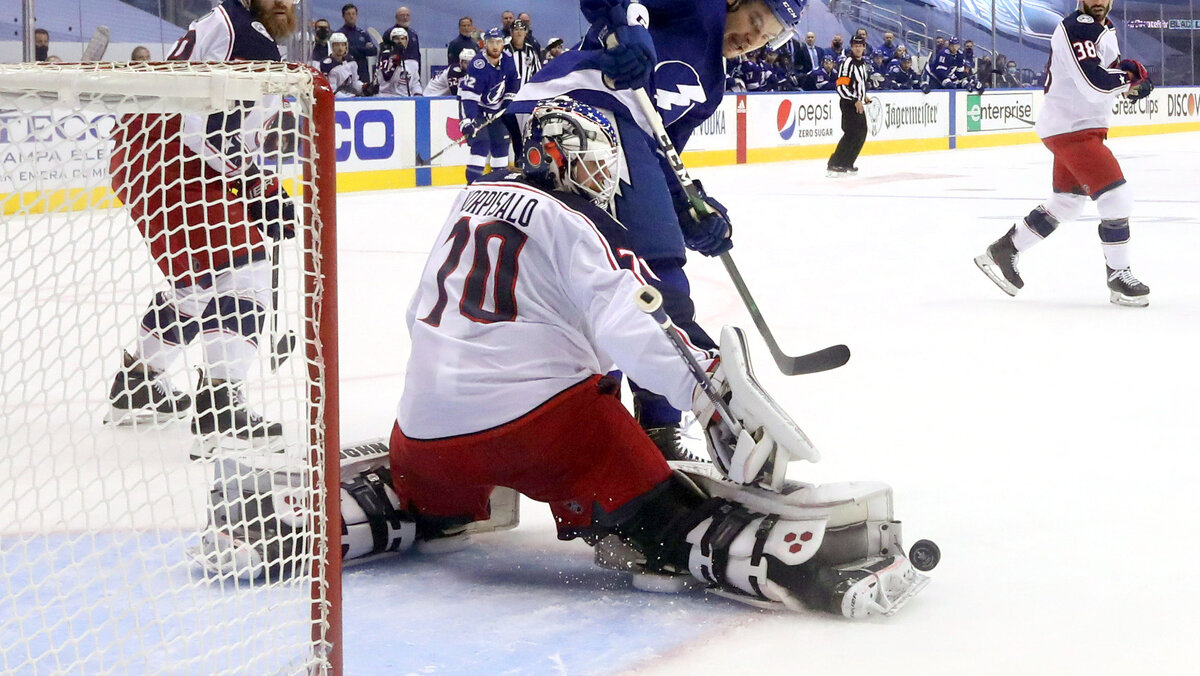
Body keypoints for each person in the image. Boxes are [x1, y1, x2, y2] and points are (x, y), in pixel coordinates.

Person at [193, 96, 931, 620]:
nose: (607, 182)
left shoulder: (469, 202)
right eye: (599, 167)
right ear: (572, 162)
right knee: (672, 513)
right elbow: (641, 328)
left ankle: (341, 514)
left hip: (424, 434)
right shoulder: (579, 221)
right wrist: (714, 398)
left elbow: (419, 317)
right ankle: (805, 564)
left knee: (429, 484)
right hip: (549, 437)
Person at [509, 0, 809, 460]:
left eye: (766, 36)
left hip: (603, 142)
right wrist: (628, 26)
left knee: (587, 283)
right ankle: (684, 419)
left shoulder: (711, 85)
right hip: (577, 108)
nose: (753, 39)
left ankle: (598, 432)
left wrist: (694, 210)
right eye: (753, 21)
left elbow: (664, 160)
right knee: (656, 268)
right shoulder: (698, 7)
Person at [105, 0, 299, 455]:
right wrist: (259, 188)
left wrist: (256, 185)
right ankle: (219, 410)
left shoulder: (228, 23)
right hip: (173, 160)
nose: (281, 2)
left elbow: (217, 128)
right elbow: (208, 134)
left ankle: (138, 384)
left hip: (144, 153)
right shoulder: (249, 36)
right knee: (245, 268)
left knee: (197, 285)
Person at [974, 0, 1152, 306]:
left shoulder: (1104, 28)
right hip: (1073, 129)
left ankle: (1005, 250)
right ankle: (1118, 274)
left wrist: (1126, 80)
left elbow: (1101, 74)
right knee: (1115, 198)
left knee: (1066, 203)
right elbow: (1093, 85)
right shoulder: (1078, 28)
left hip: (1077, 125)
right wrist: (1128, 79)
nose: (1097, 1)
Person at [459, 27, 519, 182]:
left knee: (501, 144)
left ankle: (498, 185)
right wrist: (468, 121)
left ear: (503, 44)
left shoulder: (508, 59)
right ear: (484, 44)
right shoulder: (478, 65)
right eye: (491, 42)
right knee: (481, 143)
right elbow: (468, 97)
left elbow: (514, 82)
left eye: (498, 42)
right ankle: (472, 185)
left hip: (497, 111)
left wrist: (507, 102)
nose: (495, 46)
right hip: (477, 110)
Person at [828, 35, 870, 176]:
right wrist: (854, 100)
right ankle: (834, 164)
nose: (858, 48)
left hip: (858, 103)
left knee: (861, 133)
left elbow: (859, 84)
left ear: (864, 47)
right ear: (851, 47)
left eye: (860, 45)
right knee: (851, 133)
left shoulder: (863, 64)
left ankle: (847, 162)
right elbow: (841, 86)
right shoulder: (847, 63)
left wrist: (863, 96)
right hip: (848, 103)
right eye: (855, 46)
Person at [337, 3, 377, 85]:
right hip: (346, 70)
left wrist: (355, 49)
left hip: (362, 70)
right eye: (348, 14)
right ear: (343, 16)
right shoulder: (339, 34)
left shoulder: (362, 33)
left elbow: (373, 51)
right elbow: (345, 52)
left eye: (353, 14)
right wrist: (363, 50)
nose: (351, 16)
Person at [376, 27, 422, 96]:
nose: (400, 41)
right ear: (392, 41)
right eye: (397, 39)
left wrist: (418, 94)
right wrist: (397, 60)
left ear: (407, 41)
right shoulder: (385, 58)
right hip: (387, 97)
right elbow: (388, 79)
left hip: (405, 99)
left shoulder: (413, 62)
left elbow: (415, 83)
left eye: (403, 38)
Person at [321, 32, 363, 97]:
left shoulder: (351, 62)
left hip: (350, 96)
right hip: (336, 100)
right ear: (332, 46)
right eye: (337, 45)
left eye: (343, 45)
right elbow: (331, 90)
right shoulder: (327, 64)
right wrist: (347, 98)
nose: (340, 48)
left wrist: (364, 87)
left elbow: (355, 83)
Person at [382, 6, 421, 75]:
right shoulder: (389, 33)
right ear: (396, 17)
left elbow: (417, 54)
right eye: (402, 15)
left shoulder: (413, 34)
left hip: (413, 71)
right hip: (397, 72)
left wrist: (418, 73)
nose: (405, 18)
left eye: (407, 15)